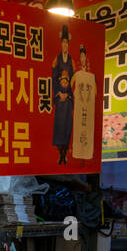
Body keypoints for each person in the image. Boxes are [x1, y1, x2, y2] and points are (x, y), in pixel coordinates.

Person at [51, 25, 74, 164]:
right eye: (63, 42)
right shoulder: (57, 59)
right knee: (59, 125)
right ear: (61, 44)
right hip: (60, 97)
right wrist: (59, 93)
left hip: (69, 97)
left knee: (67, 125)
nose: (65, 45)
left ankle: (65, 151)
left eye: (67, 43)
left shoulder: (71, 60)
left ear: (68, 44)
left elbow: (74, 78)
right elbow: (53, 77)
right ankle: (60, 152)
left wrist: (69, 95)